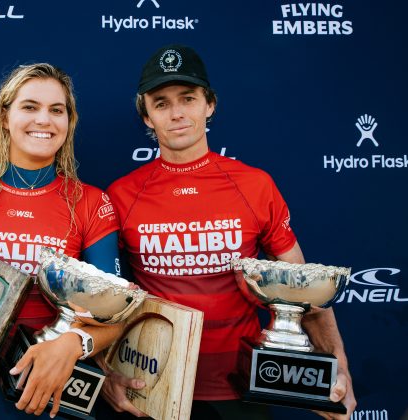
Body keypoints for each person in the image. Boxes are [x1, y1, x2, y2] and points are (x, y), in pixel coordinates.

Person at [101, 44, 357, 419]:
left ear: (210, 105)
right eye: (161, 103)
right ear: (147, 117)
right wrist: (106, 372)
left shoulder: (254, 185)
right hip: (150, 386)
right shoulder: (121, 195)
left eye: (188, 99)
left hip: (241, 386)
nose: (176, 114)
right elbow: (106, 301)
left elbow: (305, 290)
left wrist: (340, 368)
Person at [0, 63, 123, 419]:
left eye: (56, 110)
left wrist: (72, 344)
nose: (44, 119)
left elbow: (116, 313)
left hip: (53, 393)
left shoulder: (90, 202)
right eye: (30, 106)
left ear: (68, 123)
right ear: (4, 116)